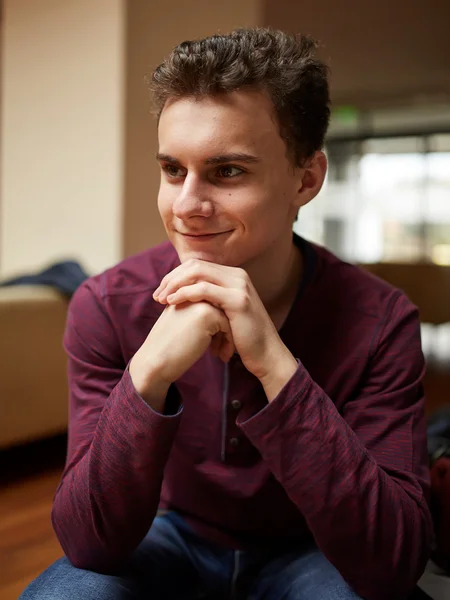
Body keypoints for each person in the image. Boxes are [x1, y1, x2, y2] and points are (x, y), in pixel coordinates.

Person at [20, 28, 432, 600]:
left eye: (227, 171)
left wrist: (274, 365)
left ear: (306, 179)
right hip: (171, 538)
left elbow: (391, 562)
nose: (186, 205)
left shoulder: (382, 322)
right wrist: (149, 375)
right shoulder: (106, 305)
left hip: (313, 550)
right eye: (172, 170)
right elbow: (89, 545)